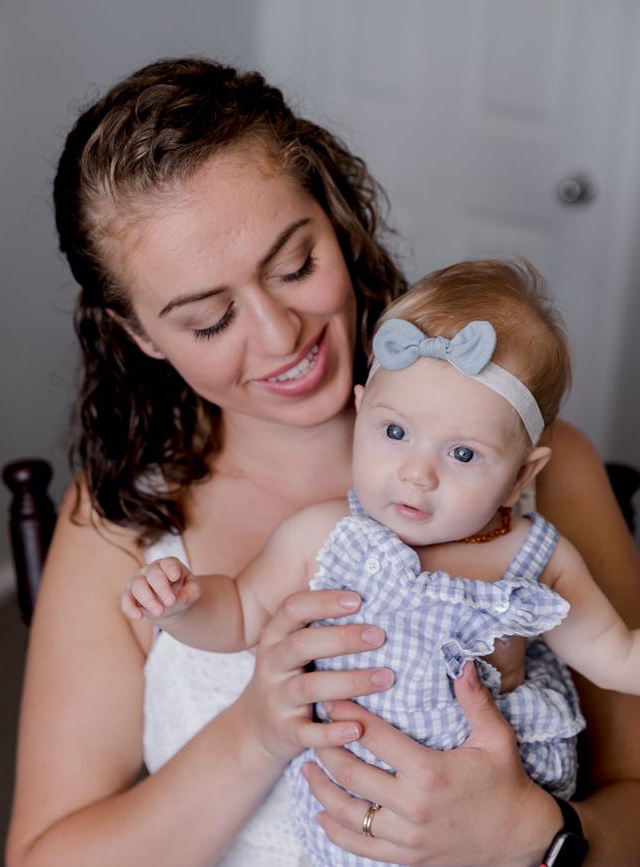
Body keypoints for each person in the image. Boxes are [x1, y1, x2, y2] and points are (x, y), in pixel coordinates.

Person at [5, 57, 640, 867]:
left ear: (335, 219)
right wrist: (256, 732)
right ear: (139, 335)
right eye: (208, 319)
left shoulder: (545, 474)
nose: (280, 336)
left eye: (296, 265)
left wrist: (540, 839)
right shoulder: (124, 510)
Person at [120, 259, 640, 865]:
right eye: (395, 433)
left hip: (500, 826)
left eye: (464, 453)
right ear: (363, 414)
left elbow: (617, 657)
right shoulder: (325, 535)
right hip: (350, 824)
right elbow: (237, 614)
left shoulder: (536, 559)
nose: (417, 473)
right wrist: (182, 604)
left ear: (520, 476)